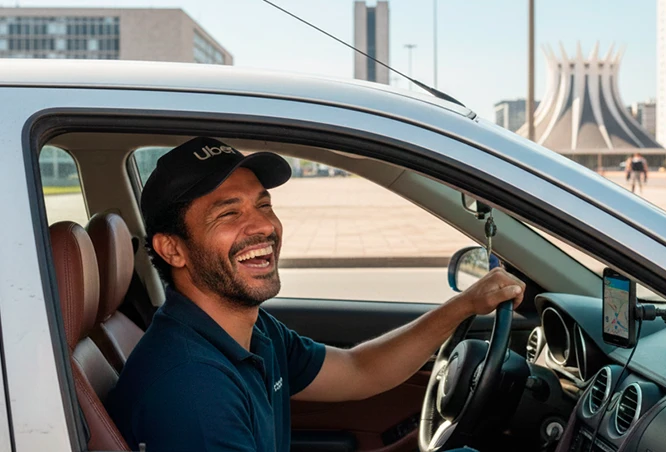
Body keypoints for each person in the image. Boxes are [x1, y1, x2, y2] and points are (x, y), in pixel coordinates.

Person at [106, 137, 524, 451]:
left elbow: (359, 370)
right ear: (172, 249)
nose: (263, 226)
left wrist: (464, 305)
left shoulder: (251, 330)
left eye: (263, 205)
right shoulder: (191, 388)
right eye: (229, 213)